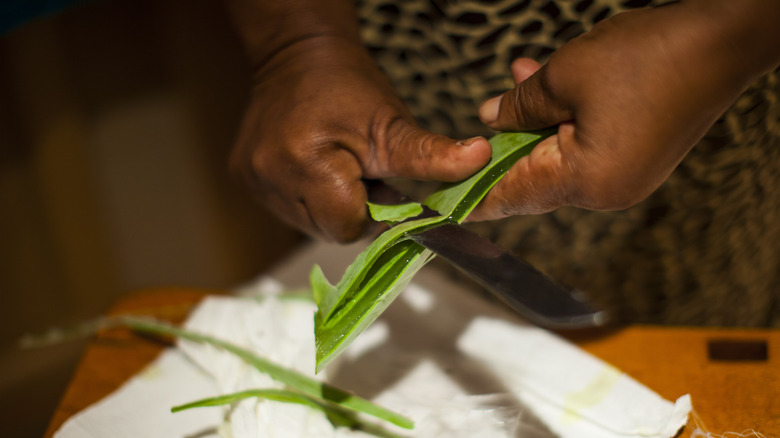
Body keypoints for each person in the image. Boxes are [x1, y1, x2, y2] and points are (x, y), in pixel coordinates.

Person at [230, 0, 780, 326]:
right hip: (387, 62)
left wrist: (731, 38)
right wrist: (300, 43)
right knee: (428, 311)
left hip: (725, 110)